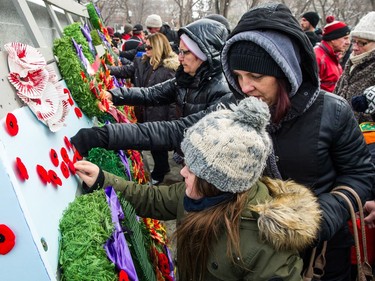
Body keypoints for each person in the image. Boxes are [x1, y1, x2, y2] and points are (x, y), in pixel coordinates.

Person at [73, 97, 322, 281]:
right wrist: (101, 179)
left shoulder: (266, 244)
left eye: (192, 169)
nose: (182, 172)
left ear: (217, 180)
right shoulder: (198, 195)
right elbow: (151, 198)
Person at [218, 3, 374, 280]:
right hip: (255, 252)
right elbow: (178, 129)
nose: (245, 87)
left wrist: (319, 218)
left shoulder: (333, 111)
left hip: (322, 255)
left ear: (284, 71)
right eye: (238, 77)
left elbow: (359, 174)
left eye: (256, 76)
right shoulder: (237, 106)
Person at [71, 18, 233, 184]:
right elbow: (150, 93)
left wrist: (107, 135)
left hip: (211, 174)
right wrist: (112, 95)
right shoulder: (188, 77)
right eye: (180, 51)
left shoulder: (223, 93)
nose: (180, 57)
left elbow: (176, 131)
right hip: (192, 162)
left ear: (204, 54)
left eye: (186, 52)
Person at [108, 32, 180, 185]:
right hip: (143, 110)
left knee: (157, 144)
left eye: (149, 47)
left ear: (159, 48)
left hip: (160, 113)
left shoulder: (169, 70)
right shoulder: (141, 62)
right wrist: (106, 69)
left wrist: (173, 122)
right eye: (145, 46)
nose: (145, 49)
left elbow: (174, 101)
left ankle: (160, 172)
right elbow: (125, 71)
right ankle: (162, 168)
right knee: (152, 144)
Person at [334, 11, 375, 123]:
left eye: (362, 43)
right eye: (354, 42)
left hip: (367, 136)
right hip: (342, 132)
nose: (355, 48)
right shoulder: (352, 62)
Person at [314, 16, 351, 92]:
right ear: (333, 39)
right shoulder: (318, 57)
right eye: (345, 38)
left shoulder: (332, 56)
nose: (348, 42)